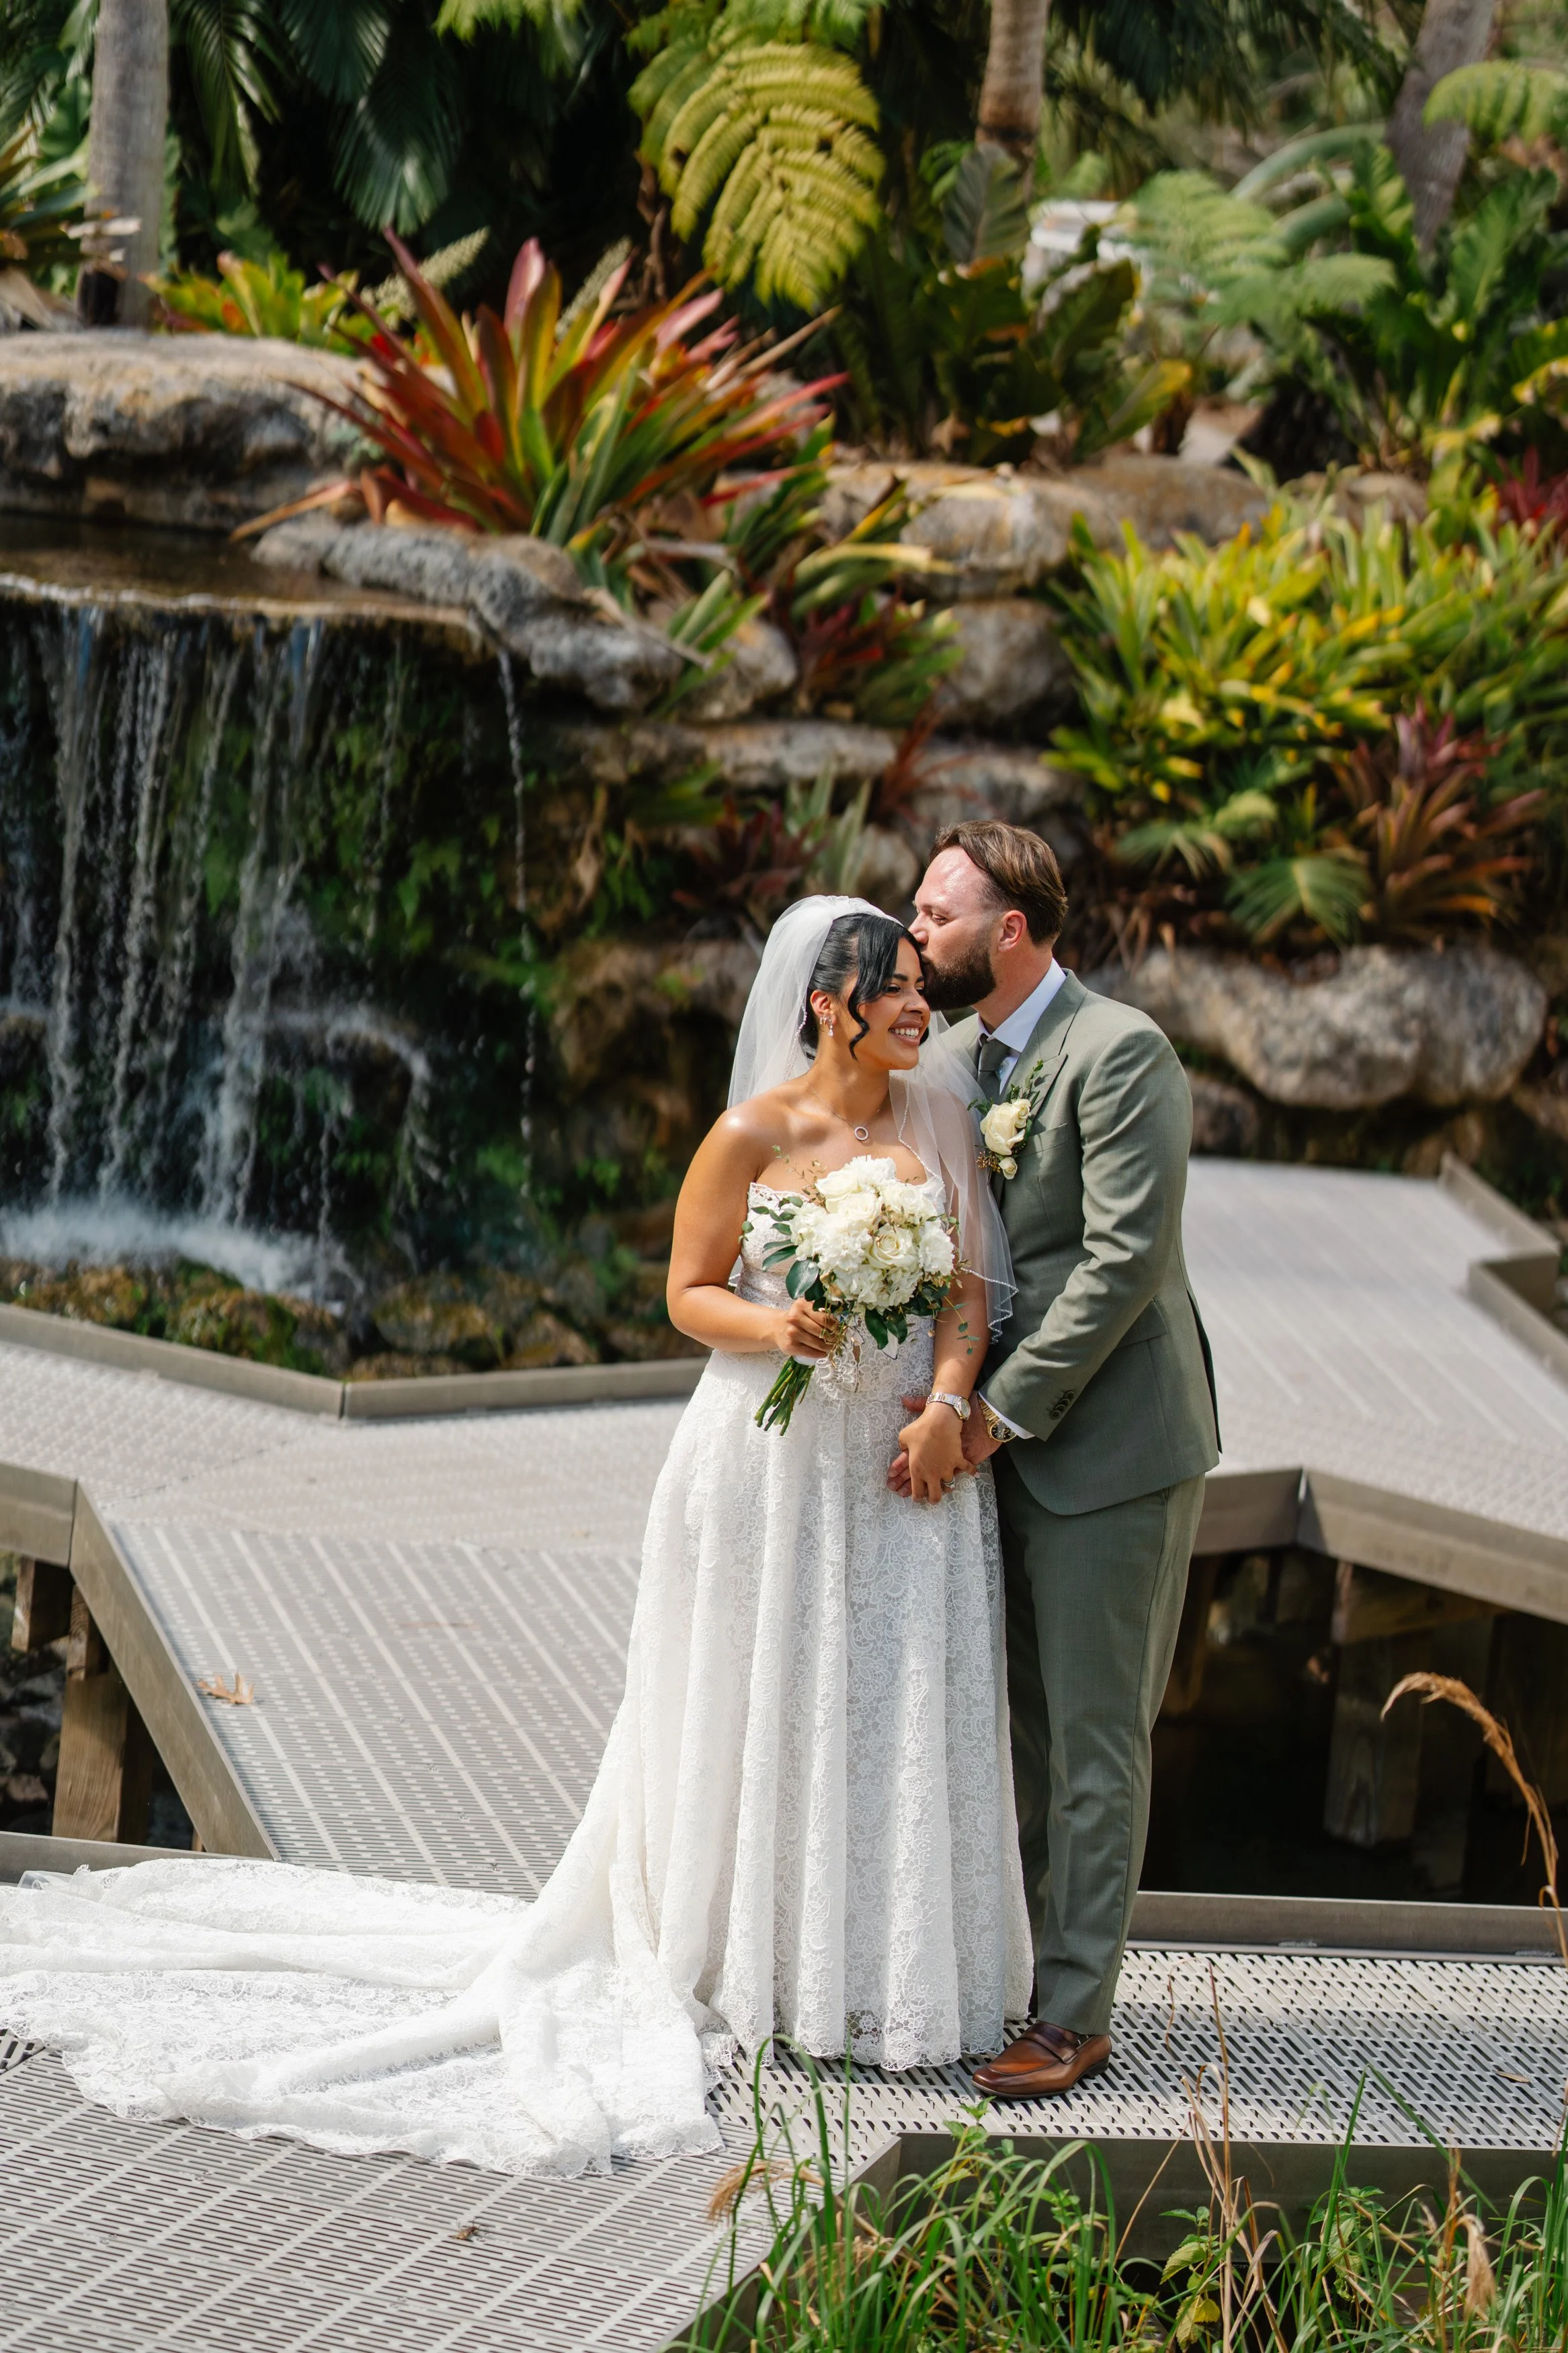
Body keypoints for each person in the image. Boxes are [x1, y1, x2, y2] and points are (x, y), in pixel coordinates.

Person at [0, 895, 1030, 2179]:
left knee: (885, 1703)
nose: (918, 1008)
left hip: (899, 1466)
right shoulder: (748, 1133)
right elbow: (687, 1292)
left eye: (920, 990)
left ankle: (878, 1974)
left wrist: (943, 1407)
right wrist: (777, 1330)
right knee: (756, 1702)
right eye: (895, 990)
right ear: (829, 1004)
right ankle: (749, 1964)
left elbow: (969, 1300)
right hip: (764, 1461)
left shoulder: (939, 1120)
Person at [896, 822, 1219, 2099]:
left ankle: (1076, 2013)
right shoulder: (966, 1061)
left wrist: (996, 1412)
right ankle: (1024, 1978)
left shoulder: (1121, 1052)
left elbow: (1122, 1265)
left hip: (1114, 1452)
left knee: (1096, 1741)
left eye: (936, 914)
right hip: (1009, 1448)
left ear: (1010, 931)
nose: (916, 935)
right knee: (1020, 1734)